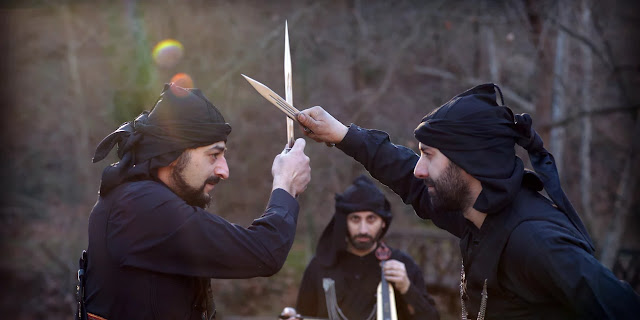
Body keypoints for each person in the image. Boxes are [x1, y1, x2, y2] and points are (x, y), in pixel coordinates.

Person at [293, 83, 640, 319]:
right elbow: (405, 175)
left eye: (429, 156)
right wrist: (343, 135)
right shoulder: (475, 211)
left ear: (469, 162)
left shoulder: (536, 241)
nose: (420, 170)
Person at [80, 83, 311, 320]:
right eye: (214, 155)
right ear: (172, 153)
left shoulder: (139, 200)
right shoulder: (141, 208)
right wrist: (286, 184)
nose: (224, 171)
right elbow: (264, 252)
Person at [281, 175, 439, 320]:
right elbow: (305, 315)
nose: (363, 229)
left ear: (383, 222)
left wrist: (407, 288)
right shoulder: (320, 266)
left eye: (371, 219)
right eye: (355, 219)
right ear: (344, 222)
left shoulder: (402, 264)